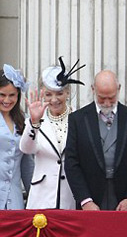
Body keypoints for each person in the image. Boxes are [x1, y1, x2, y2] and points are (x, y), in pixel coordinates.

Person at [64, 70, 127, 211]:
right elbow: (72, 162)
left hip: (123, 197)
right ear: (93, 90)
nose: (107, 103)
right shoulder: (77, 119)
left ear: (119, 89)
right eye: (102, 98)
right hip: (91, 196)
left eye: (112, 97)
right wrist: (85, 200)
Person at [21, 58, 84, 209]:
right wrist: (34, 123)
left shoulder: (80, 119)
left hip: (70, 196)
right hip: (41, 197)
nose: (54, 100)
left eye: (59, 93)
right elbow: (26, 149)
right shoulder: (36, 120)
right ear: (43, 94)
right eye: (49, 95)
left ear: (67, 93)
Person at [0, 65, 34, 209]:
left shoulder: (23, 121)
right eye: (2, 95)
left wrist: (34, 197)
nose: (7, 100)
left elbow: (27, 164)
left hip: (15, 200)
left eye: (12, 95)